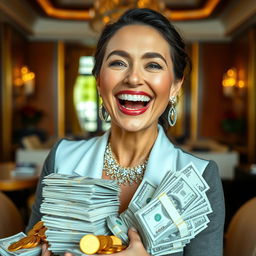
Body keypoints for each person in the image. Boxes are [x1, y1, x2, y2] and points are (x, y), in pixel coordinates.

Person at [27, 8, 225, 256]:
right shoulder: (61, 158)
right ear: (99, 80)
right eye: (118, 62)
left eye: (153, 65)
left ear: (175, 85)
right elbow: (30, 246)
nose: (133, 78)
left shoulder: (201, 176)